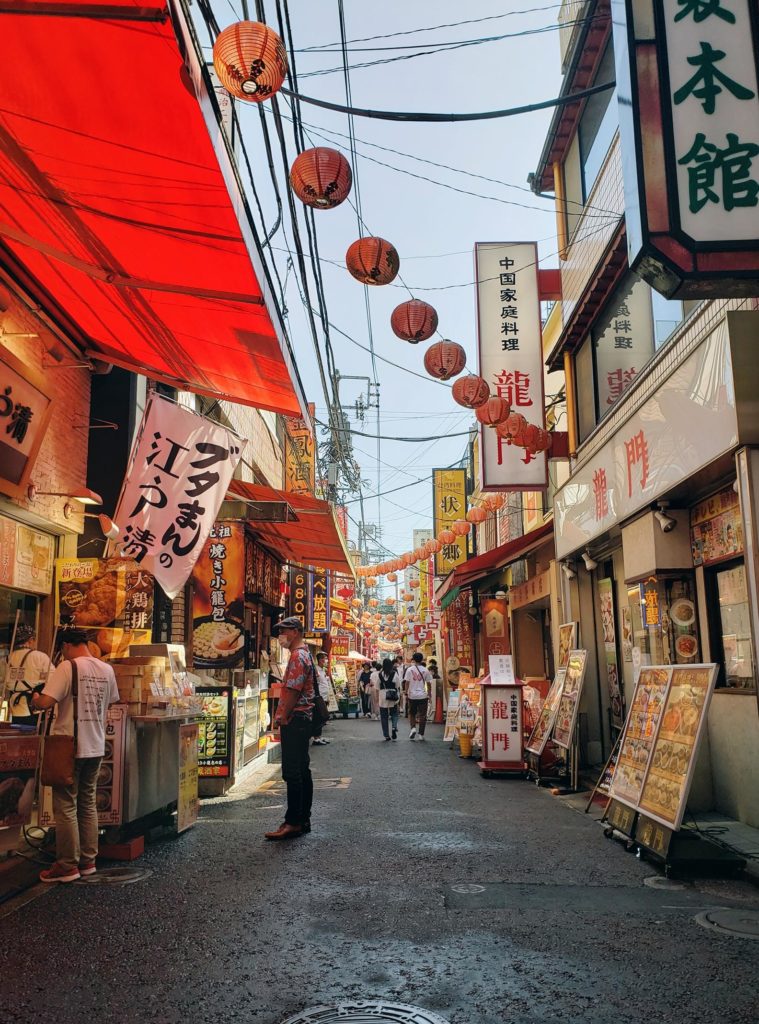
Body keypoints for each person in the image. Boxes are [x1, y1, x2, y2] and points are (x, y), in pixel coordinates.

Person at [31, 627, 120, 883]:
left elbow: (46, 703)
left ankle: (67, 865)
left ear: (66, 646)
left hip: (70, 745)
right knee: (87, 801)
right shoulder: (106, 669)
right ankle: (88, 860)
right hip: (96, 744)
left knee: (66, 804)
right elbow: (112, 700)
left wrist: (36, 698)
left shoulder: (67, 667)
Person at [265, 617, 315, 841]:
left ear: (295, 632)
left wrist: (283, 717)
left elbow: (293, 690)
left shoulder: (297, 656)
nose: (280, 636)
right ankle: (303, 818)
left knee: (292, 771)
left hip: (295, 718)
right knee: (302, 770)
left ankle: (293, 822)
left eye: (283, 631)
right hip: (303, 718)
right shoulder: (305, 654)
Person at [6, 624, 51, 726]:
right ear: (31, 640)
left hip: (15, 708)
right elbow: (53, 680)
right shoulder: (40, 657)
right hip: (34, 707)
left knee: (18, 738)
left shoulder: (7, 659)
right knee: (33, 739)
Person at [403, 652, 432, 741]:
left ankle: (413, 728)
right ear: (422, 659)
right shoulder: (425, 670)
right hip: (423, 695)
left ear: (414, 660)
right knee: (422, 715)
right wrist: (429, 694)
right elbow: (429, 683)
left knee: (412, 713)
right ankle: (421, 734)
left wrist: (406, 692)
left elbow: (406, 682)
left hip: (412, 695)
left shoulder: (409, 670)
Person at [377, 658, 401, 741]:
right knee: (394, 713)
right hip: (392, 695)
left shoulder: (380, 674)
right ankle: (394, 727)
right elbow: (398, 685)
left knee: (384, 716)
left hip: (383, 695)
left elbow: (377, 686)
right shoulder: (394, 673)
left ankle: (386, 735)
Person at [312, 651, 331, 747]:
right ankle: (316, 738)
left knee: (322, 717)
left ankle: (319, 736)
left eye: (326, 658)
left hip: (324, 696)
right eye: (323, 658)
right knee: (319, 718)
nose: (325, 660)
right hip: (319, 697)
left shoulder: (322, 670)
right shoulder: (316, 670)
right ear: (319, 660)